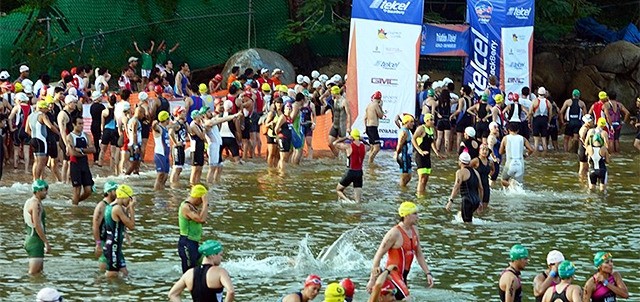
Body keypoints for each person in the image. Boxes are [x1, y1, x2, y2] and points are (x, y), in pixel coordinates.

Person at [367, 202, 434, 301]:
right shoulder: (394, 233)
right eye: (415, 214)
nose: (418, 217)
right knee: (408, 299)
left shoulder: (415, 230)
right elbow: (378, 255)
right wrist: (372, 280)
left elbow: (419, 254)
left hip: (403, 276)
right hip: (393, 275)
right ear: (406, 215)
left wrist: (428, 273)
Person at [168, 240, 235, 302]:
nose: (221, 258)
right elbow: (231, 291)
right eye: (220, 255)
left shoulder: (189, 273)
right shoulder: (220, 272)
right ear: (213, 255)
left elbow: (172, 294)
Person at [104, 184, 136, 278]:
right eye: (129, 198)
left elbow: (118, 224)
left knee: (125, 274)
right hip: (113, 247)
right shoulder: (117, 209)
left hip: (115, 247)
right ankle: (96, 285)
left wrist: (125, 234)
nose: (130, 201)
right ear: (123, 196)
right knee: (111, 276)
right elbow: (132, 226)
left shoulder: (112, 206)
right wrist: (132, 208)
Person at [203, 103, 241, 183]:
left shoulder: (212, 120)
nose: (211, 113)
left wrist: (233, 116)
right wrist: (234, 116)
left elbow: (223, 118)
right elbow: (222, 119)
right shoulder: (207, 123)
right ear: (204, 114)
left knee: (220, 167)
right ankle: (210, 184)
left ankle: (216, 182)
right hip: (212, 147)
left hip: (217, 146)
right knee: (212, 168)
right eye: (209, 112)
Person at [178, 184, 209, 273]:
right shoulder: (186, 207)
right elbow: (201, 219)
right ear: (198, 197)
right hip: (187, 243)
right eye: (201, 201)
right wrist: (206, 204)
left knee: (204, 268)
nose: (201, 203)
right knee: (189, 273)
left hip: (194, 243)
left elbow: (201, 219)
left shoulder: (191, 206)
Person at [27, 100, 60, 180]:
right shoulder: (42, 115)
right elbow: (50, 126)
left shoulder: (30, 116)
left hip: (33, 139)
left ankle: (35, 179)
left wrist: (33, 135)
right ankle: (38, 180)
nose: (47, 110)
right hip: (41, 140)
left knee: (36, 161)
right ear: (41, 108)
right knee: (41, 162)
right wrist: (59, 133)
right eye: (46, 108)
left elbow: (26, 130)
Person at [24, 179, 51, 275]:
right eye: (44, 190)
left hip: (31, 239)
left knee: (39, 274)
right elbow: (37, 224)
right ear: (37, 191)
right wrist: (46, 242)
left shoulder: (30, 201)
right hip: (35, 240)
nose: (46, 192)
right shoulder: (36, 204)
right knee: (33, 274)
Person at [333, 129, 368, 202]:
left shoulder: (349, 146)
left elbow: (334, 143)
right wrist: (363, 140)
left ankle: (348, 201)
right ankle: (356, 208)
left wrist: (345, 138)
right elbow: (370, 146)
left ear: (351, 137)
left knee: (338, 190)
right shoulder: (364, 147)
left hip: (351, 172)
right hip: (359, 172)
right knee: (358, 201)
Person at [446, 152, 483, 222]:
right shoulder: (476, 172)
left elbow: (456, 187)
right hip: (476, 201)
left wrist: (450, 201)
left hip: (467, 201)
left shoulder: (460, 172)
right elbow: (481, 188)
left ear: (460, 162)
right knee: (462, 215)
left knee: (467, 225)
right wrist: (480, 202)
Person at [412, 113, 443, 195]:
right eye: (431, 120)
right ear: (426, 121)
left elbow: (432, 142)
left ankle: (423, 193)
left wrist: (437, 152)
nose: (433, 122)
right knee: (421, 178)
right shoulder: (421, 128)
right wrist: (419, 151)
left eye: (433, 120)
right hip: (420, 156)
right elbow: (413, 139)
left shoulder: (432, 130)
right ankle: (419, 195)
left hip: (427, 156)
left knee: (426, 178)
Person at [67, 116, 95, 205]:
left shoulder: (86, 135)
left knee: (88, 190)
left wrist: (81, 150)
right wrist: (85, 151)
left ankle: (74, 202)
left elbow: (93, 150)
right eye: (79, 124)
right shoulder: (70, 137)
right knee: (77, 190)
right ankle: (74, 211)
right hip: (75, 164)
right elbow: (72, 153)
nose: (82, 126)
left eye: (82, 123)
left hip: (84, 164)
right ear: (74, 125)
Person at [93, 181, 118, 271]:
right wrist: (98, 244)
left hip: (112, 241)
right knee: (104, 268)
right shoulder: (101, 206)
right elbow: (95, 226)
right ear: (108, 192)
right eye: (115, 190)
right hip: (104, 241)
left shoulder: (114, 205)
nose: (117, 193)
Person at [499, 122, 534, 187]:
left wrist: (506, 150)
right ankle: (515, 187)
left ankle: (510, 186)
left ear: (508, 130)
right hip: (520, 164)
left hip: (510, 163)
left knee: (503, 180)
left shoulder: (505, 138)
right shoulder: (522, 138)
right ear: (518, 130)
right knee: (519, 185)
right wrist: (526, 155)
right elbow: (531, 150)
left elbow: (500, 152)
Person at [327, 86, 351, 157]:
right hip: (335, 125)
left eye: (331, 92)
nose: (331, 94)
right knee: (330, 144)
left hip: (342, 126)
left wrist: (348, 127)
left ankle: (345, 158)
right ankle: (337, 157)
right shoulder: (334, 100)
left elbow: (349, 114)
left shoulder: (344, 101)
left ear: (334, 93)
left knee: (341, 145)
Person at [99, 94, 120, 174]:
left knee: (102, 150)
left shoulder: (105, 111)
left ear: (108, 100)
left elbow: (102, 124)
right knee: (113, 152)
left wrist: (102, 133)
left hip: (106, 131)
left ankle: (100, 165)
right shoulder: (117, 111)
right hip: (114, 131)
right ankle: (112, 169)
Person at [528, 87, 552, 152]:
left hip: (536, 120)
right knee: (544, 140)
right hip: (545, 120)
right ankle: (545, 154)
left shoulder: (534, 101)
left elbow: (530, 113)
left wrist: (529, 122)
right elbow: (550, 114)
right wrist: (548, 122)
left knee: (536, 140)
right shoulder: (548, 102)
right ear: (544, 94)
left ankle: (536, 155)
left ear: (538, 93)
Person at [152, 111, 171, 190]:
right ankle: (156, 193)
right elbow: (154, 127)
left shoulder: (165, 128)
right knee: (160, 175)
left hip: (166, 155)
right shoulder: (159, 128)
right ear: (166, 119)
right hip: (160, 154)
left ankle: (161, 192)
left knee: (165, 176)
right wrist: (154, 124)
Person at [169, 107, 188, 186]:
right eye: (182, 112)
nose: (184, 113)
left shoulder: (183, 123)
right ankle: (173, 184)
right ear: (178, 113)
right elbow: (170, 132)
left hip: (182, 146)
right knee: (176, 168)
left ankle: (176, 182)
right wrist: (176, 143)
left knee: (179, 168)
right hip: (177, 148)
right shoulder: (176, 123)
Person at [471, 144, 493, 209]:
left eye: (486, 150)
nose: (485, 151)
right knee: (475, 207)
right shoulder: (476, 160)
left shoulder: (489, 162)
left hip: (486, 186)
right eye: (483, 149)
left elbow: (493, 170)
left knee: (484, 207)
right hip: (476, 186)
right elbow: (466, 168)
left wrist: (489, 176)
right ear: (479, 150)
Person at [395, 114, 414, 187]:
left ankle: (403, 188)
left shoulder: (407, 130)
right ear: (406, 122)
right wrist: (397, 154)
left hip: (407, 155)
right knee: (405, 175)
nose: (413, 123)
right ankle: (401, 191)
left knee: (409, 176)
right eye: (411, 122)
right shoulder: (404, 132)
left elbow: (397, 120)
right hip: (404, 156)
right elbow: (400, 144)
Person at [365, 91, 384, 163]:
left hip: (368, 127)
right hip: (373, 128)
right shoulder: (376, 105)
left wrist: (365, 128)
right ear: (380, 99)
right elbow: (381, 116)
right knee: (377, 147)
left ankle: (370, 164)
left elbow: (365, 118)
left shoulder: (369, 105)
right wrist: (381, 106)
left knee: (372, 147)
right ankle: (370, 162)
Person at [189, 110, 206, 185]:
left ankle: (197, 183)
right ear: (195, 116)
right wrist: (204, 128)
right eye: (199, 114)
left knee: (200, 167)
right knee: (195, 168)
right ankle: (192, 184)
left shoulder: (199, 124)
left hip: (200, 147)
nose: (201, 116)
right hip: (195, 148)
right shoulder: (193, 125)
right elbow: (201, 136)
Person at [89, 91, 104, 164]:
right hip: (99, 125)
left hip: (93, 125)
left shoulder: (92, 106)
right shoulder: (101, 107)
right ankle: (99, 157)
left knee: (95, 141)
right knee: (100, 142)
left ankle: (95, 158)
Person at [577, 115, 594, 179]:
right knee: (582, 168)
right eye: (590, 121)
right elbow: (582, 138)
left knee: (587, 168)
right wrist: (587, 147)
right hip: (583, 150)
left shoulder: (589, 128)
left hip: (586, 149)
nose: (592, 122)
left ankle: (585, 180)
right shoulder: (584, 128)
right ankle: (581, 180)